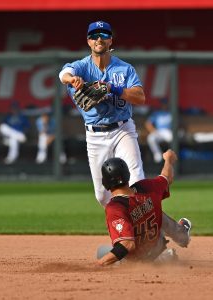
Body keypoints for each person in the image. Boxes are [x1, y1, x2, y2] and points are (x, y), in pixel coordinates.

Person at [59, 20, 145, 207]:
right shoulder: (82, 66)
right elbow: (63, 74)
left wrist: (111, 88)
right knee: (102, 196)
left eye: (104, 35)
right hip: (95, 135)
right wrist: (72, 79)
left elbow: (140, 97)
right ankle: (120, 225)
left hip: (123, 129)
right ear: (89, 41)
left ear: (110, 40)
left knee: (136, 179)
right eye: (94, 36)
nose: (99, 39)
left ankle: (144, 229)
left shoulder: (125, 69)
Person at [97, 149, 192, 266]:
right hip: (157, 246)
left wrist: (99, 264)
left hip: (136, 262)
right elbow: (167, 177)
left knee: (101, 253)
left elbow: (127, 244)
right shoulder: (146, 187)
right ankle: (181, 237)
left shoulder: (115, 207)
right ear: (127, 175)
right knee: (157, 213)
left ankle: (164, 258)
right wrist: (168, 160)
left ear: (105, 183)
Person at [145, 98, 172, 163]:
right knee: (151, 138)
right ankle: (158, 155)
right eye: (163, 104)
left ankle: (171, 156)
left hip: (168, 131)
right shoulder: (157, 113)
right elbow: (148, 123)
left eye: (165, 104)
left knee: (172, 138)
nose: (164, 105)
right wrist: (153, 131)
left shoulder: (171, 113)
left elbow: (178, 124)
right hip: (158, 131)